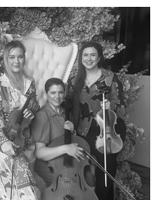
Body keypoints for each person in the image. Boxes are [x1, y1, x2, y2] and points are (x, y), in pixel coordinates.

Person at [66, 41, 126, 200]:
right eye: (85, 55)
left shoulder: (110, 77)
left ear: (99, 57)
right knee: (84, 173)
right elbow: (68, 106)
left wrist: (110, 106)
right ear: (81, 58)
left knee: (105, 175)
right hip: (83, 131)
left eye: (93, 55)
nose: (89, 58)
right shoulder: (74, 80)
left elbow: (121, 106)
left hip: (106, 131)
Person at [0, 40, 41, 200]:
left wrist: (31, 112)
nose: (16, 61)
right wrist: (4, 142)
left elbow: (34, 106)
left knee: (27, 190)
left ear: (24, 58)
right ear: (6, 59)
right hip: (2, 141)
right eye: (12, 57)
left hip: (24, 138)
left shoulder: (30, 83)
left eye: (20, 57)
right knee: (19, 193)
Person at [31, 77, 98, 200]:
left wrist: (72, 133)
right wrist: (66, 148)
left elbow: (68, 140)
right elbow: (40, 153)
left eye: (60, 92)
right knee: (71, 185)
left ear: (64, 93)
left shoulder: (65, 113)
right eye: (53, 93)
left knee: (89, 177)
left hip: (65, 162)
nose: (57, 96)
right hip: (50, 165)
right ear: (46, 94)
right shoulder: (42, 116)